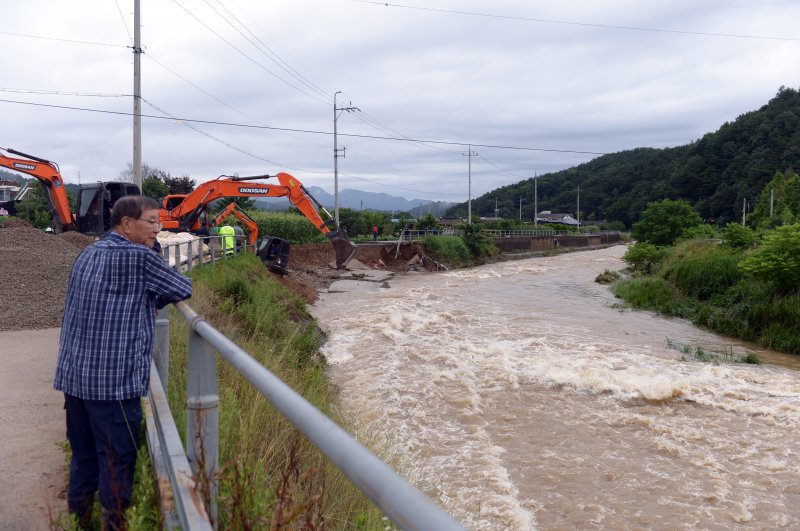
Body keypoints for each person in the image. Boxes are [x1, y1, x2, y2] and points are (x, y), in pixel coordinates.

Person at [54, 195, 193, 529]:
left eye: (159, 222)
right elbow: (182, 286)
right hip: (114, 386)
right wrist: (153, 281)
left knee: (84, 459)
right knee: (117, 462)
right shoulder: (138, 258)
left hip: (75, 380)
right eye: (152, 222)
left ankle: (78, 521)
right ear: (127, 224)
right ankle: (113, 524)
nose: (158, 230)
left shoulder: (88, 252)